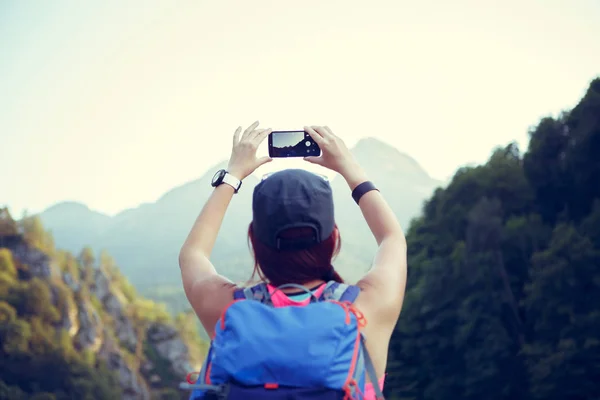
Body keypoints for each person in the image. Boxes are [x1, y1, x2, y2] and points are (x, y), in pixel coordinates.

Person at [179, 121, 407, 399]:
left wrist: (233, 174)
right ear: (333, 239)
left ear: (254, 240)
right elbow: (392, 238)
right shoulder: (367, 309)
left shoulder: (227, 310)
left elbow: (193, 254)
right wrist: (350, 168)